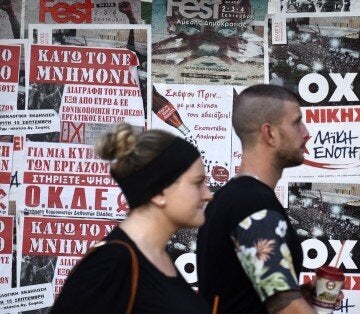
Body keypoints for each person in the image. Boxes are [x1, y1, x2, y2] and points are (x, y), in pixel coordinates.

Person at [51, 123, 213, 313]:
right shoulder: (111, 264)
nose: (208, 194)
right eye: (197, 183)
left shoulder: (158, 257)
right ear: (159, 192)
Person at [196, 84, 325, 313]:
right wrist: (294, 303)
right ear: (270, 133)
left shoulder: (231, 198)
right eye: (296, 122)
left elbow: (237, 293)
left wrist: (299, 295)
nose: (306, 133)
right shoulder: (252, 203)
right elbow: (287, 309)